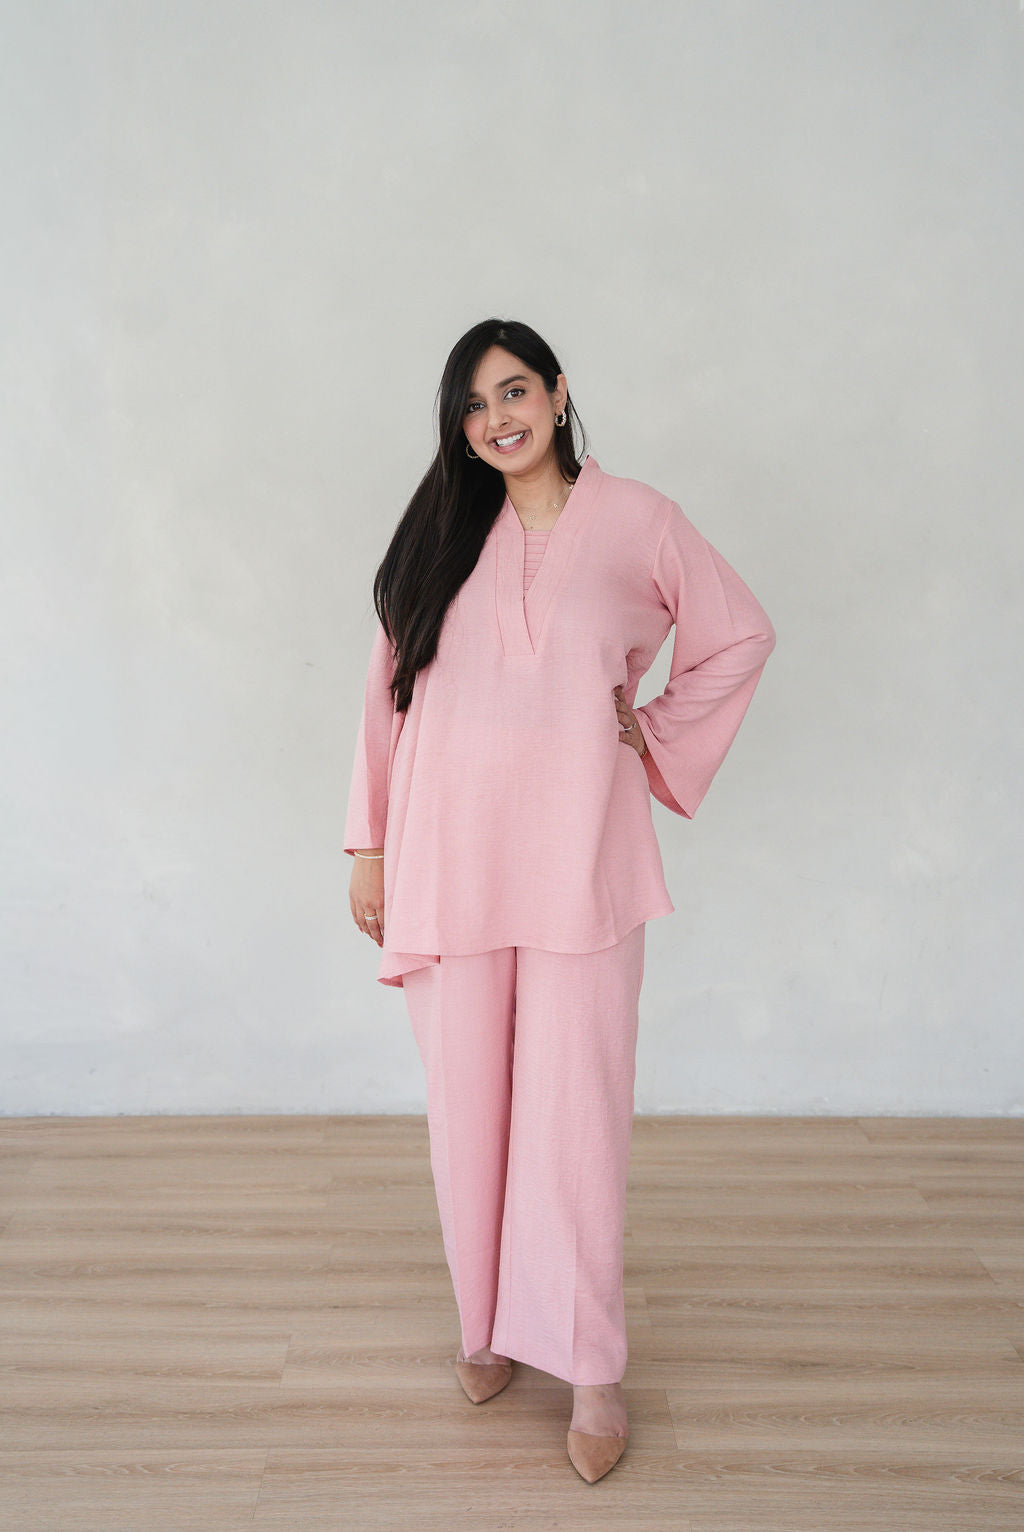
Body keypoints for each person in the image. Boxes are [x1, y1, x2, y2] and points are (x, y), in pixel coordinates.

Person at [344, 317, 776, 1483]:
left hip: (582, 859)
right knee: (467, 1107)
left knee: (575, 1116)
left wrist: (653, 732)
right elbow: (386, 694)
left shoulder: (638, 521)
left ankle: (589, 1366)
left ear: (557, 391)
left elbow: (738, 634)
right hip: (449, 861)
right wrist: (368, 845)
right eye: (474, 404)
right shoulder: (442, 534)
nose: (497, 418)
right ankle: (484, 1322)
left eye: (514, 391)